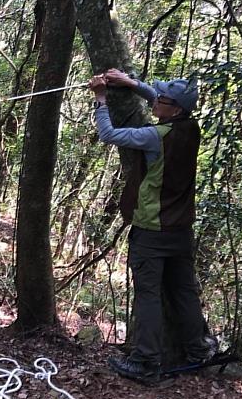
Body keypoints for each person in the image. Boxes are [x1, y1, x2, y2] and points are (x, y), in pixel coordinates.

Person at [89, 69, 214, 380]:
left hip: (152, 231)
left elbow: (108, 134)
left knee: (149, 294)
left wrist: (101, 99)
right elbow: (161, 99)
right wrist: (132, 85)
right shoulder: (191, 127)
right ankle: (199, 348)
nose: (154, 100)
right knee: (183, 291)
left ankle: (146, 361)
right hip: (180, 231)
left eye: (162, 99)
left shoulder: (153, 136)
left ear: (174, 108)